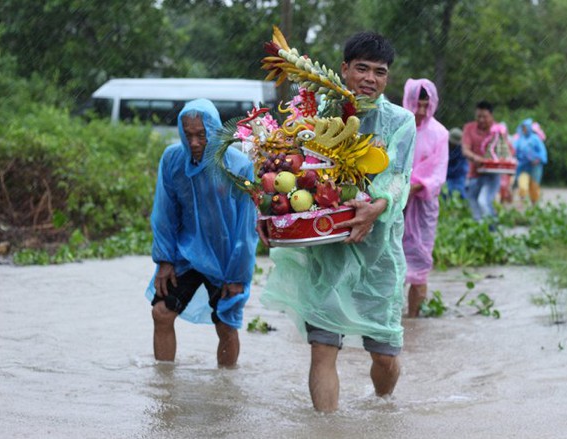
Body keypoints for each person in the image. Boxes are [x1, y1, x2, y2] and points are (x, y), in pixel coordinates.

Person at [258, 32, 416, 412]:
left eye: (380, 72)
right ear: (344, 69)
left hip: (378, 257)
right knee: (323, 348)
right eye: (361, 68)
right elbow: (286, 165)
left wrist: (378, 206)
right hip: (326, 250)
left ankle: (383, 406)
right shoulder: (315, 111)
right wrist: (268, 210)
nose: (370, 78)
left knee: (384, 356)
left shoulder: (401, 121)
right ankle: (325, 431)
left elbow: (397, 176)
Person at [145, 98, 258, 367]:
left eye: (201, 135)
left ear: (215, 132)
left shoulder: (238, 166)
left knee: (226, 326)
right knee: (161, 313)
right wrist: (164, 260)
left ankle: (226, 390)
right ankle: (164, 387)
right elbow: (164, 212)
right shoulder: (173, 160)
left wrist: (238, 275)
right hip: (186, 253)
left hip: (224, 258)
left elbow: (246, 227)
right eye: (188, 135)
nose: (194, 142)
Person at [401, 78, 448, 318]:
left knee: (420, 265)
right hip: (394, 205)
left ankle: (413, 319)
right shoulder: (398, 127)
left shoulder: (440, 133)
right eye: (416, 104)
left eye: (424, 105)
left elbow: (438, 174)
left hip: (423, 208)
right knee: (391, 263)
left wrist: (411, 189)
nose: (420, 111)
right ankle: (389, 321)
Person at [461, 101, 500, 225]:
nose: (481, 120)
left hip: (493, 174)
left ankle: (491, 229)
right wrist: (477, 158)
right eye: (479, 116)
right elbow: (465, 150)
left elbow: (507, 151)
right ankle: (479, 228)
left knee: (483, 201)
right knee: (472, 200)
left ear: (491, 116)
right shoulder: (469, 128)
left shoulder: (498, 130)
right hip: (475, 172)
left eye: (485, 117)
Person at [513, 118, 548, 205]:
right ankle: (521, 203)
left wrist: (538, 159)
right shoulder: (520, 140)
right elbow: (514, 151)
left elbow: (542, 152)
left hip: (535, 166)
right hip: (523, 166)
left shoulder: (535, 139)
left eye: (525, 127)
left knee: (534, 187)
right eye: (523, 128)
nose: (524, 129)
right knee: (522, 185)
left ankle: (534, 204)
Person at [445, 127, 468, 199]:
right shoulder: (443, 145)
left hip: (458, 174)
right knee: (444, 192)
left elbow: (460, 168)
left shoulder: (462, 150)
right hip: (444, 174)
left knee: (459, 192)